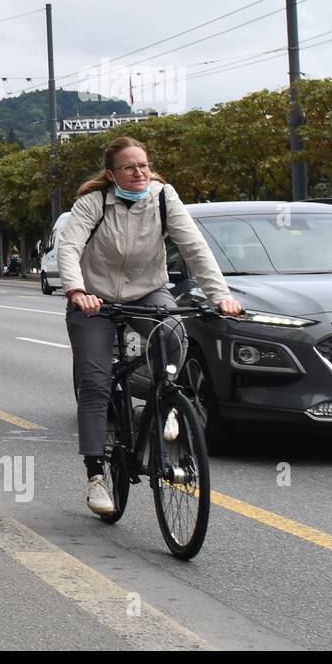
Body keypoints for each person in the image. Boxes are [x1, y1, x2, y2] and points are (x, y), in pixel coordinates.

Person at [56, 136, 242, 517]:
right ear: (112, 174)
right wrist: (77, 290)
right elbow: (70, 247)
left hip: (147, 292)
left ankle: (165, 404)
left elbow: (195, 248)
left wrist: (220, 295)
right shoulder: (92, 203)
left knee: (174, 332)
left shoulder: (162, 197)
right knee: (95, 382)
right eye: (129, 167)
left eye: (143, 165)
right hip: (95, 299)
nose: (139, 172)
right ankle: (96, 477)